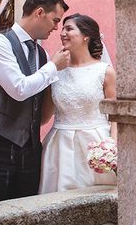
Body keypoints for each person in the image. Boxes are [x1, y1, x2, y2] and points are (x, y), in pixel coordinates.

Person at [0, 0, 70, 204]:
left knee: (25, 220)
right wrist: (53, 67)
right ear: (39, 13)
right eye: (55, 20)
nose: (56, 28)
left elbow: (38, 113)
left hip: (30, 151)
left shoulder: (40, 54)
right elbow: (18, 89)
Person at [39, 13, 117, 193]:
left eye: (69, 28)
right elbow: (44, 117)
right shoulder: (55, 72)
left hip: (96, 144)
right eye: (62, 28)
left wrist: (112, 147)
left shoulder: (104, 71)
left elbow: (115, 116)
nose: (62, 33)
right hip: (59, 146)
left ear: (85, 36)